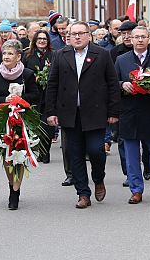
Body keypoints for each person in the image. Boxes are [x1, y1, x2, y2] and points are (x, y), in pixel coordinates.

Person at [46, 22, 120, 209]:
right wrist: (51, 112)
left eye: (81, 33)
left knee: (96, 150)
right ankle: (83, 193)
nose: (77, 37)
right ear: (68, 36)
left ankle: (98, 178)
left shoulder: (101, 54)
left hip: (95, 112)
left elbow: (112, 84)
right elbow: (52, 85)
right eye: (73, 34)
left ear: (89, 35)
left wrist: (113, 112)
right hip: (70, 113)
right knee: (75, 153)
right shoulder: (60, 55)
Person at [115, 26, 150, 204]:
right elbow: (112, 83)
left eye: (143, 37)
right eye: (136, 37)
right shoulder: (121, 60)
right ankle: (136, 189)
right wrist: (122, 84)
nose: (139, 40)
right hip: (129, 112)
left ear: (148, 39)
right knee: (131, 155)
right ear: (130, 39)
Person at [0, 39, 39, 209]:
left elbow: (35, 96)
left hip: (21, 120)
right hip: (2, 121)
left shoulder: (28, 74)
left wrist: (21, 99)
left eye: (10, 54)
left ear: (18, 56)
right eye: (4, 53)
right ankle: (12, 185)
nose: (6, 57)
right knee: (7, 155)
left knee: (20, 154)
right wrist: (5, 100)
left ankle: (15, 192)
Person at [23, 29, 55, 163]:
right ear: (35, 41)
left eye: (44, 39)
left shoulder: (53, 55)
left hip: (49, 94)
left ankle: (45, 151)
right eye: (39, 39)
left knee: (47, 124)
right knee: (35, 124)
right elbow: (22, 73)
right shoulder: (28, 55)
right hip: (33, 94)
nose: (42, 41)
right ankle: (38, 148)